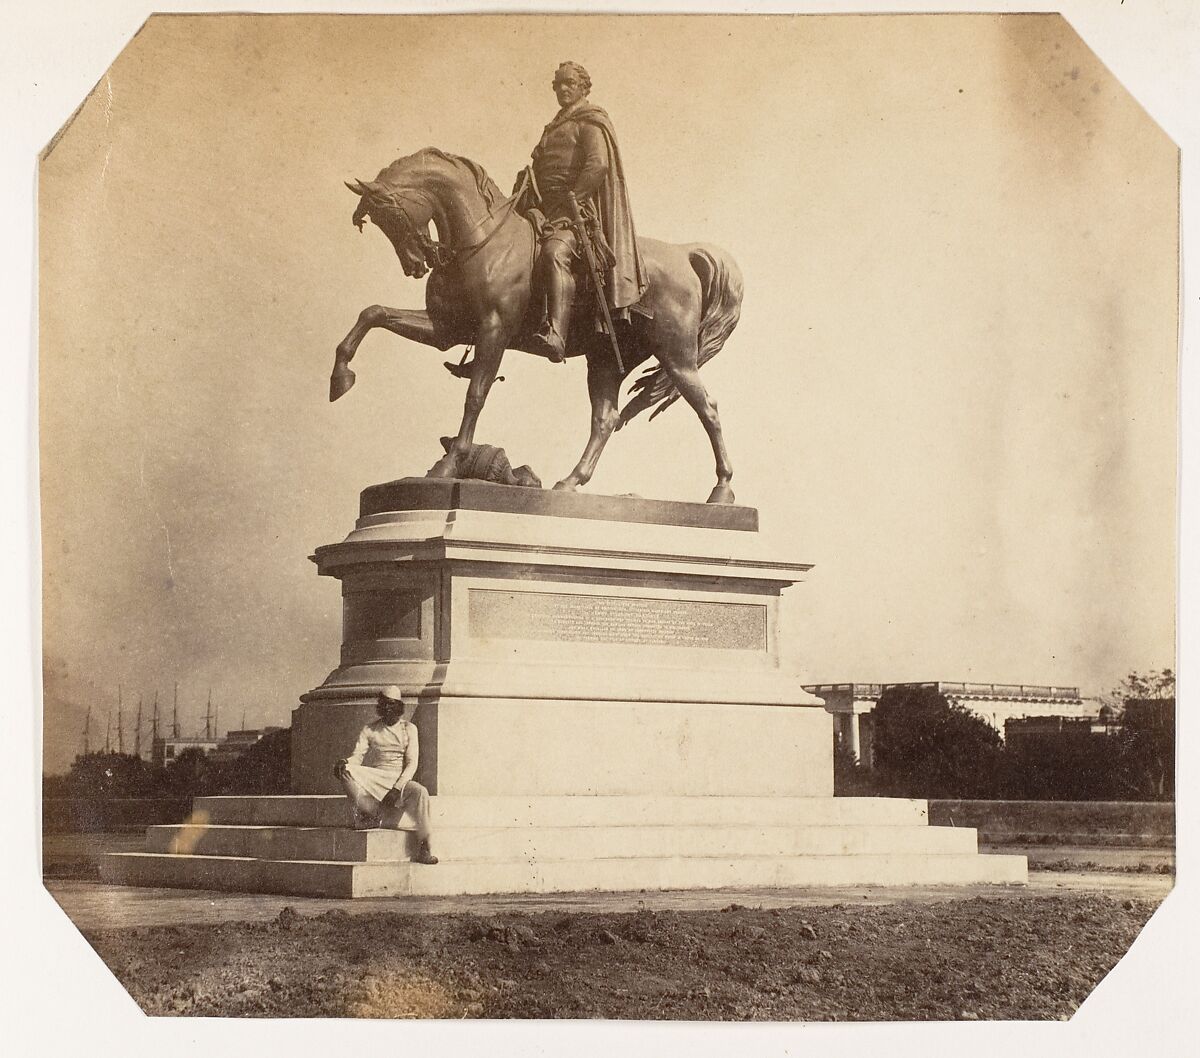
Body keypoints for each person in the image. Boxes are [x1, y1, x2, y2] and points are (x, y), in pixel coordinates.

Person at [520, 61, 647, 363]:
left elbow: (597, 165)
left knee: (554, 253)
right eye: (558, 84)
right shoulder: (552, 128)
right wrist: (532, 207)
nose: (563, 89)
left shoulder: (589, 121)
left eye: (570, 83)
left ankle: (556, 334)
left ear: (583, 87)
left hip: (578, 215)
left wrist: (572, 199)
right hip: (544, 212)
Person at [333, 686, 437, 865]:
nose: (388, 708)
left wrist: (397, 789)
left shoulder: (409, 728)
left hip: (400, 780)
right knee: (347, 771)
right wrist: (345, 762)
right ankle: (370, 814)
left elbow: (412, 764)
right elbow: (357, 757)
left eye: (392, 704)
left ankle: (425, 847)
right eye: (384, 704)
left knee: (421, 792)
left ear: (398, 706)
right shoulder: (370, 729)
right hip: (377, 777)